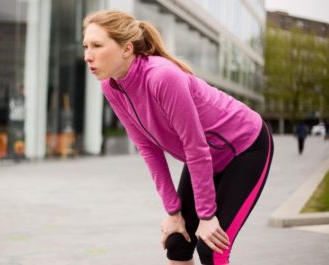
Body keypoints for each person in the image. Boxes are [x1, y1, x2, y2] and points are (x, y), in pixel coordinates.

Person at [82, 10, 274, 265]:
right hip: (206, 157)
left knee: (212, 248)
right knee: (177, 242)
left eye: (97, 45)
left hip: (246, 148)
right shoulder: (112, 86)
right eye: (86, 46)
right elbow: (147, 148)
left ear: (126, 49)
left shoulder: (163, 77)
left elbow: (195, 148)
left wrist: (206, 216)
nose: (88, 55)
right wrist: (173, 212)